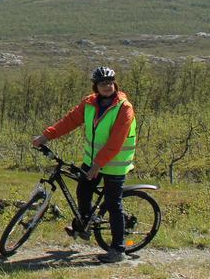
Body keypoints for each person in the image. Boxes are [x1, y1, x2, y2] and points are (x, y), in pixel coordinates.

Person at [32, 65, 137, 263]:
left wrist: (98, 164)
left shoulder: (124, 108)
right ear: (95, 86)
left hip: (115, 164)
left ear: (114, 83)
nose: (107, 86)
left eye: (109, 82)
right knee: (83, 190)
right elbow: (70, 121)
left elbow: (116, 141)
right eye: (102, 83)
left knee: (113, 204)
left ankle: (119, 249)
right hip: (93, 161)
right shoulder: (89, 104)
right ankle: (86, 222)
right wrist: (46, 136)